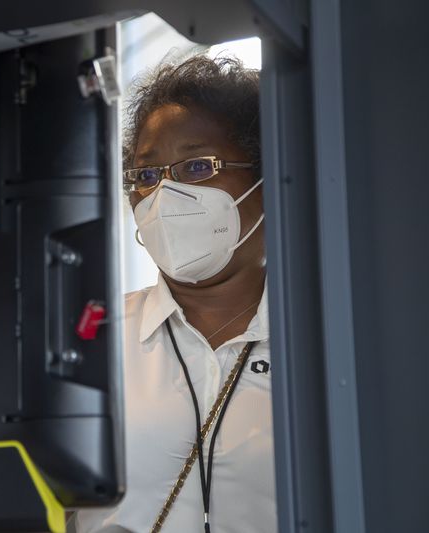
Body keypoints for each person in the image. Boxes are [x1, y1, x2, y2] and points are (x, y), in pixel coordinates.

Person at [73, 55, 276, 533]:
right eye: (146, 176)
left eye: (196, 166)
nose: (164, 192)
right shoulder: (91, 345)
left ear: (270, 181)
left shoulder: (332, 344)